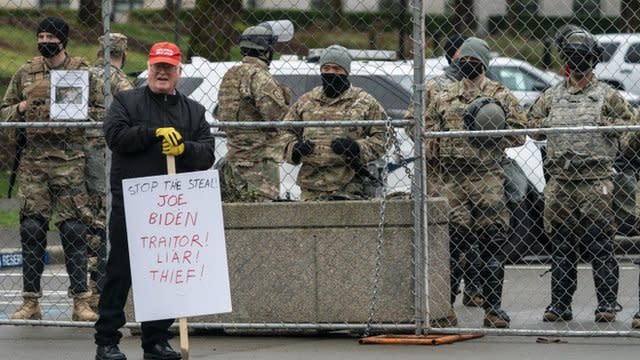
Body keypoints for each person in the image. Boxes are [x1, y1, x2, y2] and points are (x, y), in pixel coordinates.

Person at [94, 42, 215, 360]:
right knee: (119, 272)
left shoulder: (193, 110)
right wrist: (151, 134)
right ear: (148, 68)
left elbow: (207, 152)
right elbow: (115, 136)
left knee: (164, 274)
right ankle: (107, 340)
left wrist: (184, 149)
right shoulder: (126, 102)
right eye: (157, 66)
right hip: (132, 205)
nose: (162, 72)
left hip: (171, 211)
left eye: (169, 67)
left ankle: (156, 340)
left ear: (179, 72)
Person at [527, 27, 636, 323]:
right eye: (572, 57)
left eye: (582, 57)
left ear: (592, 60)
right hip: (560, 182)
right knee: (562, 246)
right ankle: (560, 305)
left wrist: (614, 128)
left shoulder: (608, 96)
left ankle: (607, 304)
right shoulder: (552, 95)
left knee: (600, 245)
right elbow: (531, 124)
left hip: (595, 182)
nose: (577, 62)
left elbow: (629, 133)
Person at [0, 16, 104, 322]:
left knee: (74, 231)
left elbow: (102, 112)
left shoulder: (82, 72)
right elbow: (4, 115)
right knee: (31, 230)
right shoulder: (25, 73)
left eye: (51, 37)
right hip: (34, 163)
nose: (45, 41)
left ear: (63, 40)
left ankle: (80, 302)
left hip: (70, 161)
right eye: (41, 36)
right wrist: (21, 108)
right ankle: (30, 302)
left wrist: (78, 110)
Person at [424, 37, 527, 328]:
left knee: (492, 243)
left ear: (483, 62)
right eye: (461, 60)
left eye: (472, 59)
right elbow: (427, 130)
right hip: (452, 180)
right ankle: (445, 310)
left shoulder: (500, 95)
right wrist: (433, 146)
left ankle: (493, 309)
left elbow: (520, 132)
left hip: (487, 177)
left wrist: (493, 135)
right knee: (452, 246)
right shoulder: (444, 95)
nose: (465, 64)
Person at [405, 34, 484, 312]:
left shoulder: (485, 86)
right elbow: (410, 122)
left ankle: (476, 289)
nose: (470, 60)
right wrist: (430, 139)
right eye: (464, 54)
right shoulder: (434, 87)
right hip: (441, 175)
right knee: (452, 233)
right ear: (453, 56)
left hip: (477, 173)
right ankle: (446, 294)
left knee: (479, 231)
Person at [282, 44, 386, 201]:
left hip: (350, 185)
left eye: (337, 69)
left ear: (346, 71)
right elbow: (283, 132)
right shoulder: (306, 101)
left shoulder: (364, 101)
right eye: (326, 69)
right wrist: (294, 149)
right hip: (311, 186)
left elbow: (384, 136)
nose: (331, 73)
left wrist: (357, 148)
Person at [86, 32, 134, 312]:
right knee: (102, 219)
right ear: (123, 55)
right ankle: (97, 288)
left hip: (76, 152)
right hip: (104, 154)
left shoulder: (83, 74)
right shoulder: (118, 79)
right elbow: (134, 107)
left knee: (83, 216)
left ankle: (84, 290)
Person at [217, 23, 291, 202]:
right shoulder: (260, 77)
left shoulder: (230, 74)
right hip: (258, 165)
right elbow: (279, 117)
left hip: (232, 159)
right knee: (261, 217)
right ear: (266, 50)